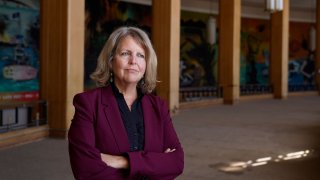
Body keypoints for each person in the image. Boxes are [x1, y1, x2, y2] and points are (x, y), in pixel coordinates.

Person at [68, 26, 184, 180]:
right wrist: (155, 163)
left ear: (146, 64)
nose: (133, 61)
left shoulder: (158, 106)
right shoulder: (88, 104)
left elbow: (176, 162)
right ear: (110, 61)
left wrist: (122, 161)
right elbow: (85, 169)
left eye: (140, 55)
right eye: (125, 54)